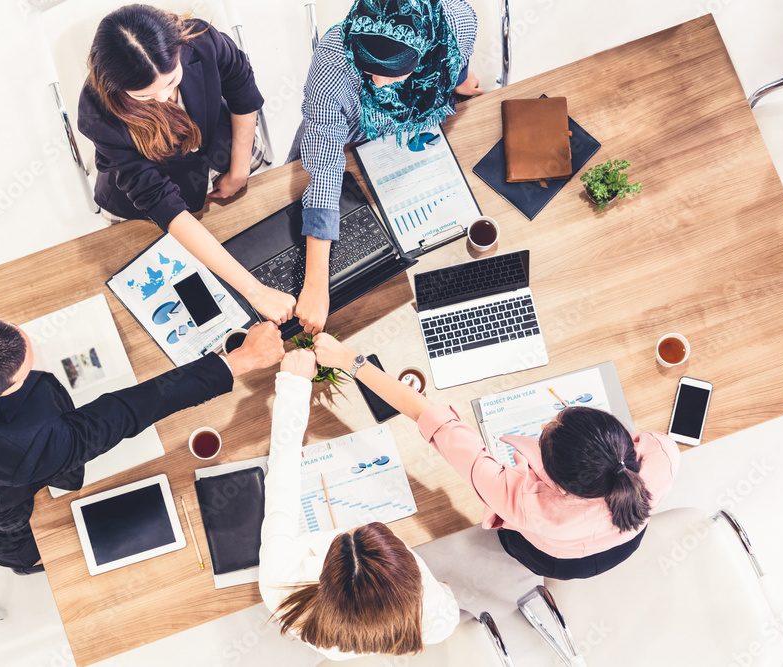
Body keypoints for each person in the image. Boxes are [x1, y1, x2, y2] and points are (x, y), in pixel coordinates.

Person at [0, 300, 284, 574]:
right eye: (25, 371)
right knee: (11, 528)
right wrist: (240, 360)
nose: (34, 354)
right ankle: (19, 560)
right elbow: (127, 411)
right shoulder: (25, 448)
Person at [311, 334, 681, 580]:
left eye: (544, 432)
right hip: (624, 544)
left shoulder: (523, 502)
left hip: (553, 559)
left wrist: (350, 360)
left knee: (515, 543)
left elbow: (433, 419)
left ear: (558, 483)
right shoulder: (663, 455)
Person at [77, 5, 295, 324]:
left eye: (171, 81)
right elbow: (158, 201)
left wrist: (239, 168)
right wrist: (256, 292)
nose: (165, 98)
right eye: (145, 96)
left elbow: (241, 86)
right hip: (141, 201)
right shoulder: (98, 114)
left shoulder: (198, 39)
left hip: (216, 147)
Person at [290, 0, 482, 334]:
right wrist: (317, 283)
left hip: (411, 151)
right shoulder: (333, 59)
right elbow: (325, 167)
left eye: (394, 72)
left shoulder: (457, 21)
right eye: (368, 70)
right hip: (347, 147)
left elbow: (456, 58)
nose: (378, 84)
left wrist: (460, 79)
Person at [259, 349, 459, 659]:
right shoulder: (437, 617)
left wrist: (294, 385)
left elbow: (281, 483)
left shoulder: (279, 580)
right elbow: (442, 597)